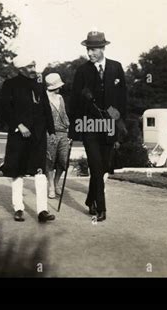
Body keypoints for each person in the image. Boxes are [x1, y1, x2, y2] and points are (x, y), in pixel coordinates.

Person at [69, 31, 127, 222]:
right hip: (90, 125)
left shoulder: (116, 68)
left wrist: (120, 123)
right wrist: (74, 127)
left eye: (93, 49)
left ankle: (90, 198)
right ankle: (101, 208)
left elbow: (123, 98)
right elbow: (74, 102)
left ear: (103, 48)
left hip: (110, 124)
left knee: (103, 167)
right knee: (95, 165)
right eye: (88, 49)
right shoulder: (82, 71)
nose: (90, 53)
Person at [1, 55, 57, 223]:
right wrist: (19, 125)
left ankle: (42, 211)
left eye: (34, 66)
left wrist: (52, 131)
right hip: (19, 136)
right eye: (30, 67)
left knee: (40, 172)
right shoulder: (9, 85)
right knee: (18, 172)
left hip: (38, 137)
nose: (34, 69)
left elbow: (46, 109)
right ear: (21, 69)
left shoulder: (39, 85)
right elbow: (4, 110)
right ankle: (18, 208)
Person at [44, 73, 71, 199]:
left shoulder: (60, 97)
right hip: (50, 133)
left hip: (63, 132)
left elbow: (64, 114)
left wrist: (69, 129)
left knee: (63, 160)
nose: (60, 88)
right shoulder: (44, 97)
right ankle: (51, 186)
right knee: (50, 160)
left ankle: (56, 182)